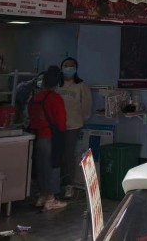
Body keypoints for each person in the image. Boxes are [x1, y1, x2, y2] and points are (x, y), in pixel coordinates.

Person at [28, 66, 67, 211]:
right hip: (51, 137)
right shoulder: (55, 98)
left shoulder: (35, 97)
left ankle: (42, 196)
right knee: (52, 167)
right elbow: (61, 121)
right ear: (57, 83)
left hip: (38, 136)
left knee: (41, 167)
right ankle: (51, 199)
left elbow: (30, 115)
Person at [57, 57, 92, 199]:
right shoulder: (57, 85)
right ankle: (56, 184)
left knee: (69, 155)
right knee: (57, 155)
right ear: (61, 67)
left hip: (73, 125)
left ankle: (69, 185)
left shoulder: (81, 86)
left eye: (71, 65)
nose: (68, 68)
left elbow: (86, 105)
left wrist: (82, 119)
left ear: (76, 69)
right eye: (66, 65)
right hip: (56, 126)